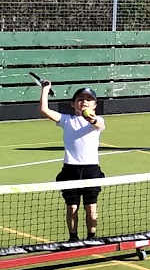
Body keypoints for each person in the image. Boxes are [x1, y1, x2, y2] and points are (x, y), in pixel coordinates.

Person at [39, 82, 106, 244]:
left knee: (91, 208)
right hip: (70, 170)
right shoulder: (66, 120)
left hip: (91, 170)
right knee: (72, 208)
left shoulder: (98, 120)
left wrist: (92, 118)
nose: (84, 101)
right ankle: (73, 238)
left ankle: (92, 237)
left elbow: (99, 125)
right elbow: (44, 110)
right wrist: (45, 90)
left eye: (89, 99)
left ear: (95, 105)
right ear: (73, 104)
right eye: (80, 99)